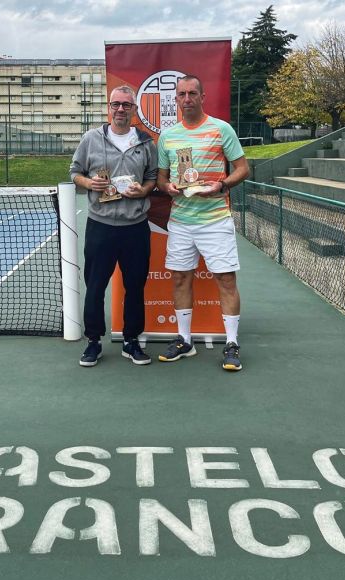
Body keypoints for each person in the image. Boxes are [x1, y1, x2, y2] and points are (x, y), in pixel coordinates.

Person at [156, 75, 250, 371]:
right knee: (181, 278)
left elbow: (243, 168)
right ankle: (185, 341)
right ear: (176, 99)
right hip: (181, 221)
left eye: (192, 93)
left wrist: (222, 185)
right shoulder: (168, 137)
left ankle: (232, 344)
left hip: (214, 220)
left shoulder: (222, 129)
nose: (187, 99)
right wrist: (167, 187)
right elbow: (161, 177)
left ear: (202, 96)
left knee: (226, 280)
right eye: (181, 94)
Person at [70, 85, 158, 367]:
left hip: (136, 227)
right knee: (95, 286)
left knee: (135, 286)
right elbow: (75, 173)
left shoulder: (146, 142)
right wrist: (89, 183)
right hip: (100, 226)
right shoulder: (90, 139)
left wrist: (143, 191)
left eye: (126, 105)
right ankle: (93, 341)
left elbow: (153, 177)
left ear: (134, 110)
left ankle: (131, 341)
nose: (120, 109)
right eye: (116, 104)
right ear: (108, 107)